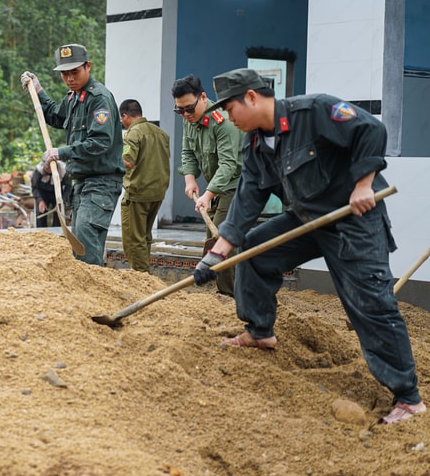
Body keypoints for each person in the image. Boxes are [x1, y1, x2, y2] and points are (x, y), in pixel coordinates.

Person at [194, 68, 424, 425]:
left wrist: (363, 184)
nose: (227, 117)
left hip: (353, 220)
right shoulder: (254, 144)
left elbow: (371, 130)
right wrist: (217, 253)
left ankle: (408, 398)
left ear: (251, 97)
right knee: (255, 249)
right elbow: (246, 200)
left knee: (370, 302)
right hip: (308, 219)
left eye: (229, 108)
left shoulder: (313, 111)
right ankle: (259, 331)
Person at [21, 44, 124, 266]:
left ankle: (91, 286)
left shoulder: (99, 98)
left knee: (85, 240)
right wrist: (38, 91)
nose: (69, 78)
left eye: (74, 72)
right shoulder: (74, 98)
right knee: (79, 244)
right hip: (82, 183)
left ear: (88, 67)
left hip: (101, 183)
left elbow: (100, 142)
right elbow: (55, 116)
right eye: (64, 73)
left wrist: (61, 152)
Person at [172, 74, 243, 295]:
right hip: (215, 185)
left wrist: (208, 194)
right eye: (179, 110)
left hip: (236, 185)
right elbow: (187, 151)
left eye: (189, 109)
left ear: (203, 97)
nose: (185, 114)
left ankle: (230, 293)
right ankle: (225, 288)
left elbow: (229, 165)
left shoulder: (223, 122)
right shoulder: (189, 119)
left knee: (223, 237)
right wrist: (190, 179)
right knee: (213, 238)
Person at [119, 99, 170, 272]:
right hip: (157, 193)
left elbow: (127, 162)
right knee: (145, 236)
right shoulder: (161, 133)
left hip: (137, 193)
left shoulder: (133, 134)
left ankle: (141, 277)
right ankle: (146, 276)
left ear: (125, 116)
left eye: (122, 119)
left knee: (133, 239)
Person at [30, 159, 71, 228]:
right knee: (41, 212)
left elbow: (68, 187)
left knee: (59, 214)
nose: (46, 169)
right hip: (42, 192)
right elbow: (34, 187)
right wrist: (40, 200)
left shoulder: (64, 169)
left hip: (57, 192)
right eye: (46, 168)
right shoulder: (39, 170)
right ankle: (41, 231)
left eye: (49, 168)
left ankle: (57, 231)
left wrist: (62, 201)